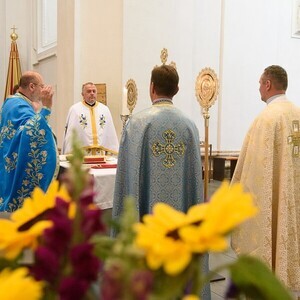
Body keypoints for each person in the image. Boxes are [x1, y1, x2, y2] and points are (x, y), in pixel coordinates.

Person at [113, 65, 210, 299]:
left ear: (152, 87)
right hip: (181, 223)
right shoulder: (190, 125)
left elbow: (126, 180)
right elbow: (196, 181)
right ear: (177, 89)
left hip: (148, 222)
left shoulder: (137, 123)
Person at [231, 65, 300, 295]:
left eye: (260, 83)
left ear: (268, 84)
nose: (259, 88)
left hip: (274, 198)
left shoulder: (266, 119)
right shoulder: (297, 113)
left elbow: (253, 171)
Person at [0, 71, 59, 212]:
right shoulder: (18, 105)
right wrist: (46, 108)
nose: (43, 90)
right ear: (32, 86)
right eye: (41, 86)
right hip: (14, 164)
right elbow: (30, 132)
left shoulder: (12, 102)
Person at [62, 82, 119, 156]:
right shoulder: (75, 110)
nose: (92, 93)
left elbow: (110, 132)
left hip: (100, 155)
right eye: (89, 91)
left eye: (94, 91)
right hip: (81, 155)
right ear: (82, 94)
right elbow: (70, 134)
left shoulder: (104, 109)